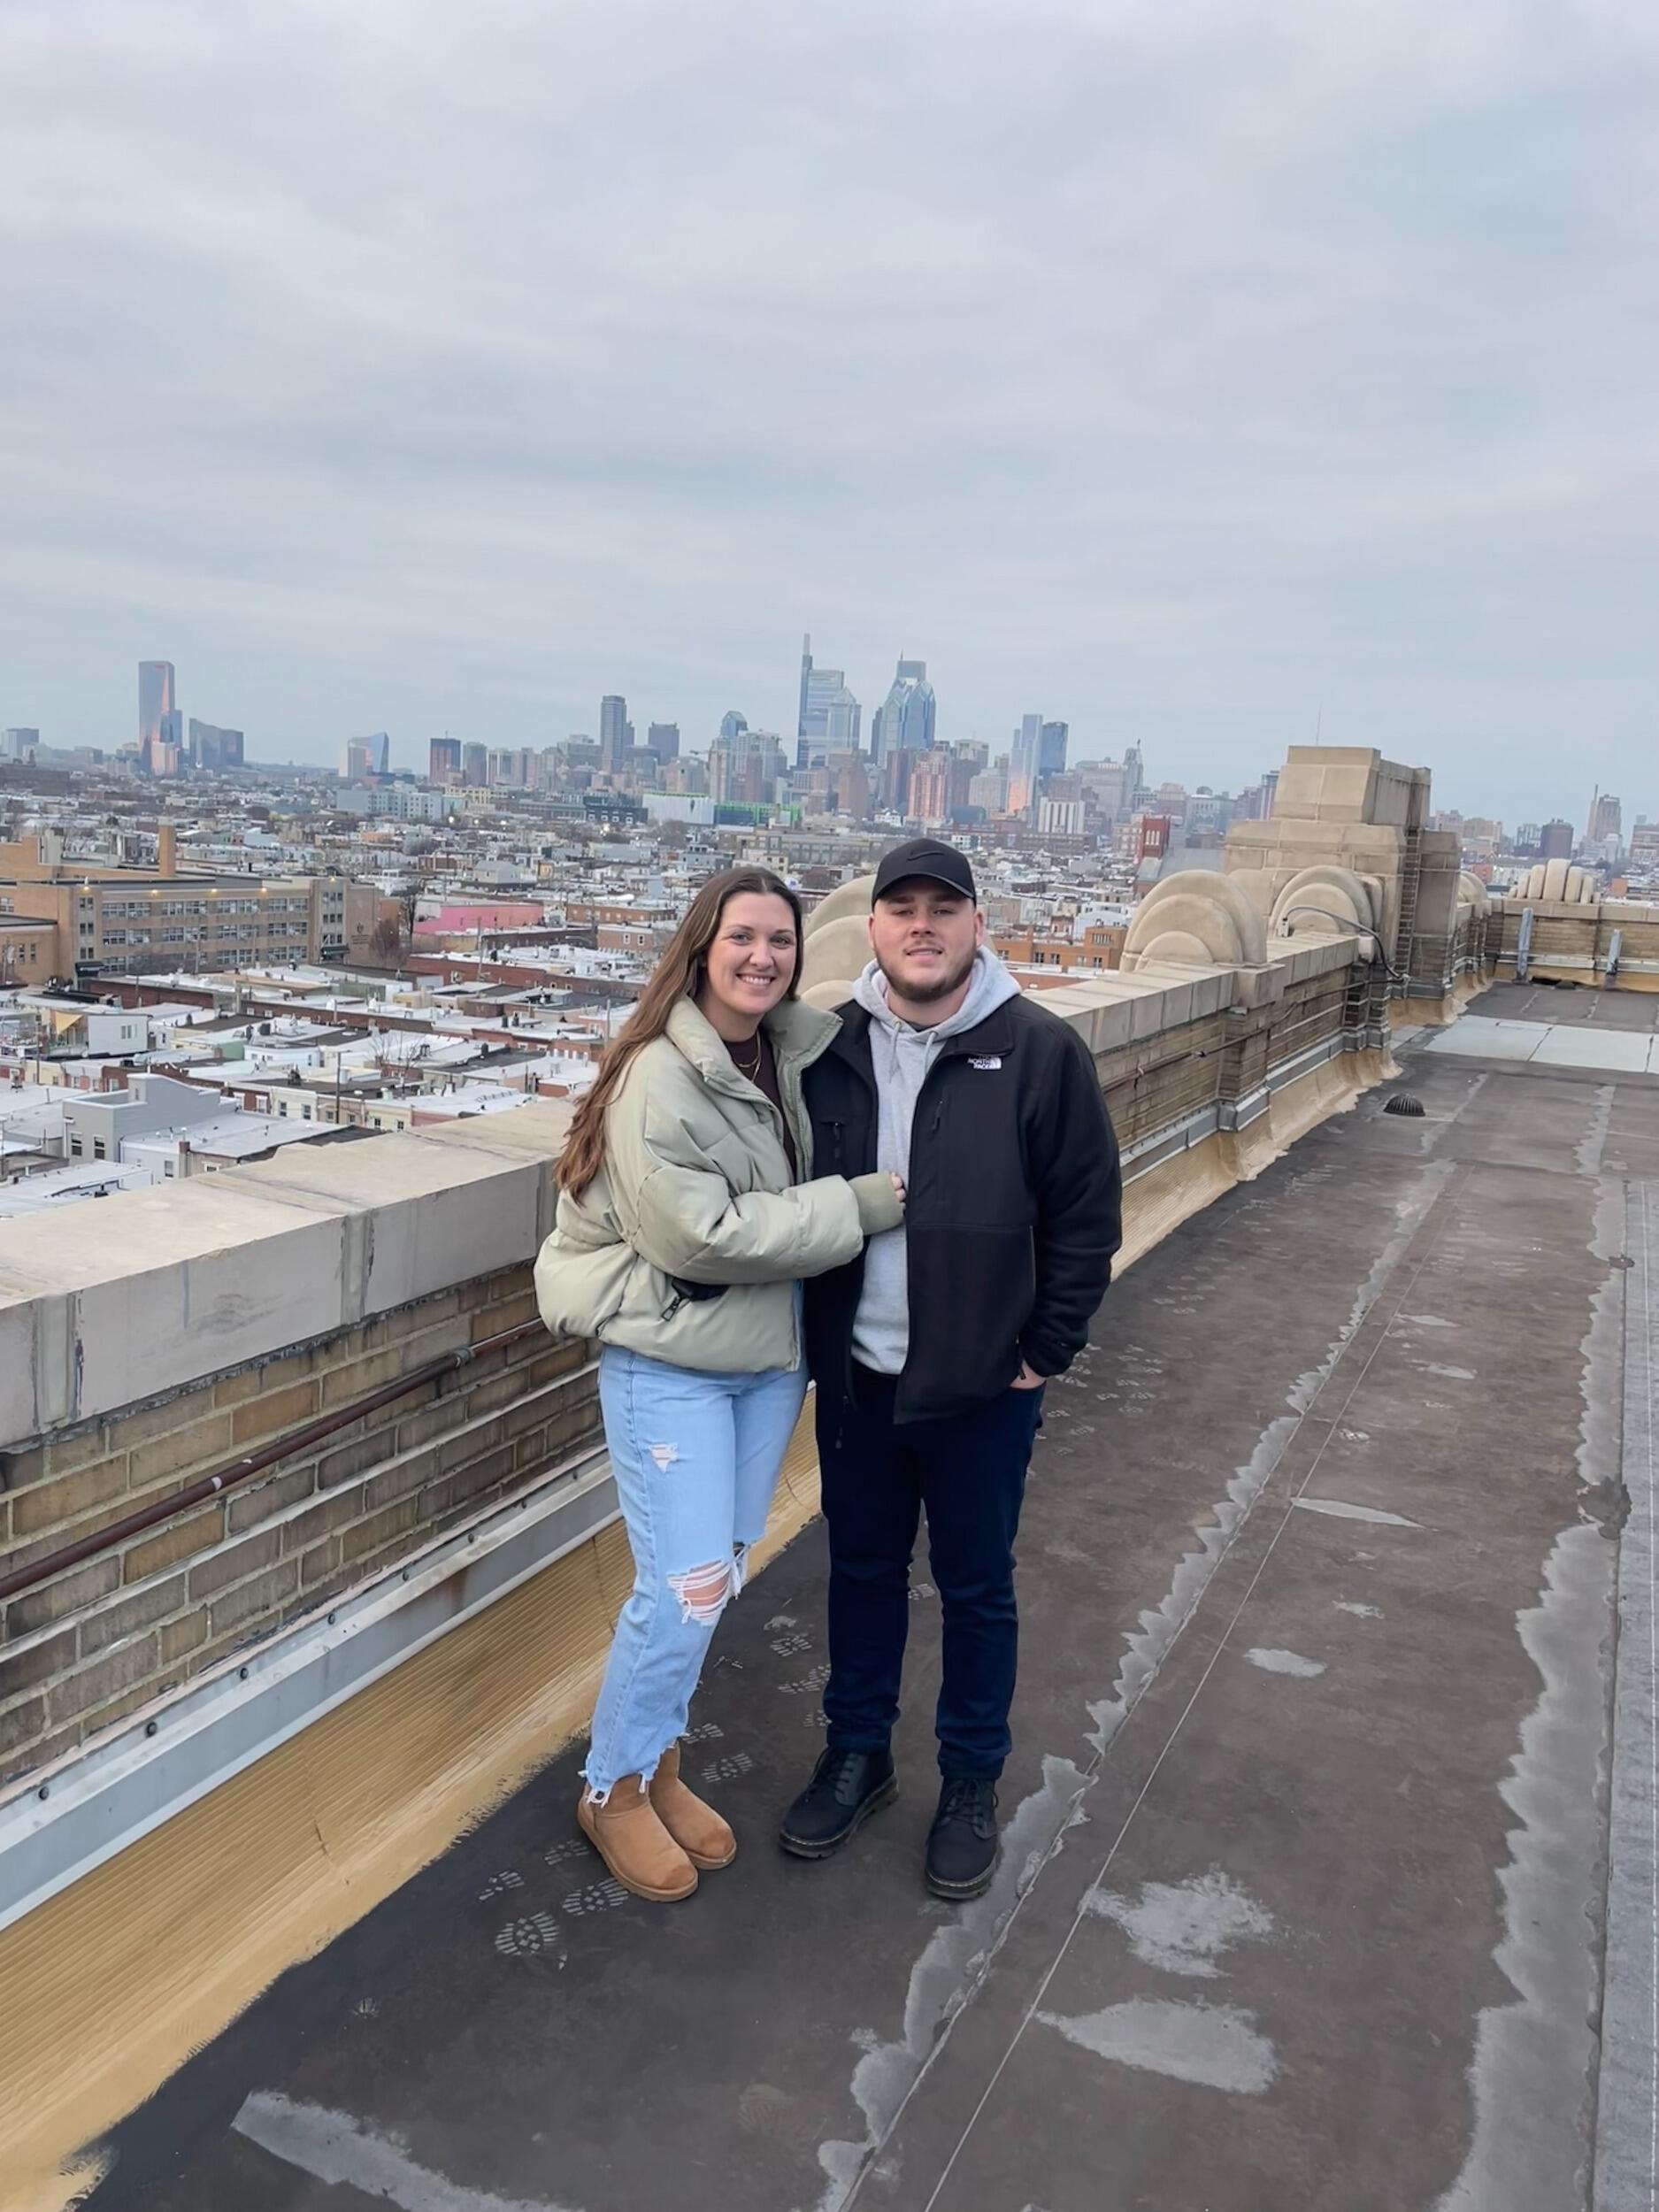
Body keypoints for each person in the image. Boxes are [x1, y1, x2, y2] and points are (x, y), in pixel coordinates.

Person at [535, 866, 905, 1904]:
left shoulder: (786, 1054)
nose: (763, 956)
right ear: (701, 947)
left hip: (760, 1360)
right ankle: (608, 1789)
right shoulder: (663, 1073)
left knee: (719, 1575)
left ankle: (657, 1763)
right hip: (673, 1363)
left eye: (781, 939)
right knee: (683, 1587)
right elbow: (696, 1234)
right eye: (742, 936)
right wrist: (861, 1205)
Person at [779, 836, 1121, 1899]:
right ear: (871, 928)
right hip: (859, 1379)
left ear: (979, 925)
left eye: (943, 907)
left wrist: (1042, 1351)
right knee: (862, 1573)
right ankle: (859, 1753)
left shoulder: (1038, 1051)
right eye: (901, 908)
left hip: (982, 1388)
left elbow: (1084, 1215)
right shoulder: (825, 1046)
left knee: (977, 1588)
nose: (921, 926)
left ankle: (971, 1778)